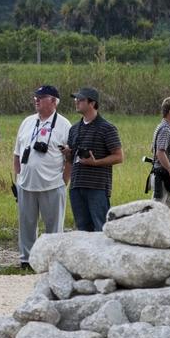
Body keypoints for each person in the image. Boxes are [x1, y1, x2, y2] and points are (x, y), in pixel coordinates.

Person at [12, 85, 71, 269]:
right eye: (35, 96)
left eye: (42, 97)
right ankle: (26, 259)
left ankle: (53, 261)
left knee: (53, 226)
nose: (36, 100)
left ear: (54, 101)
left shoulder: (64, 125)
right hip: (27, 183)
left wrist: (64, 180)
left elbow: (69, 157)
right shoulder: (28, 122)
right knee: (26, 224)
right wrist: (18, 178)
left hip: (53, 184)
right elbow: (17, 152)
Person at [62, 86, 123, 231]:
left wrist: (96, 163)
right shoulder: (74, 128)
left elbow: (119, 156)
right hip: (76, 186)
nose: (76, 102)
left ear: (92, 103)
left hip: (97, 187)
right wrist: (68, 153)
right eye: (76, 99)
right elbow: (71, 159)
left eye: (81, 99)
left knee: (101, 228)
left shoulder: (107, 128)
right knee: (82, 230)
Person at [150, 97, 170, 218]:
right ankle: (147, 235)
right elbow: (160, 153)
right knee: (156, 212)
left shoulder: (165, 128)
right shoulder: (164, 130)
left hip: (167, 177)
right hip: (164, 176)